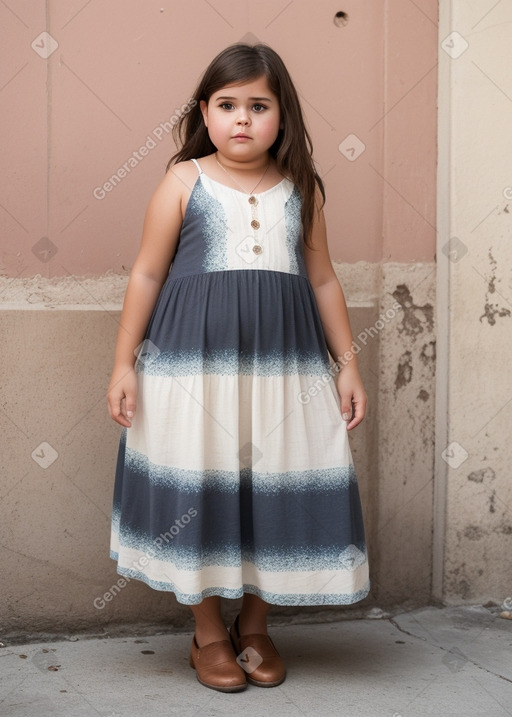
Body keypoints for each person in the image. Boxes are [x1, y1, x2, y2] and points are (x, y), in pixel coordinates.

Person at [107, 42, 370, 694]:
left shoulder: (300, 189)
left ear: (283, 116)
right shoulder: (183, 181)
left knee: (281, 480)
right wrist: (123, 363)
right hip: (191, 372)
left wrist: (348, 367)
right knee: (202, 485)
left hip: (286, 372)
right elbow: (145, 272)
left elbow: (324, 280)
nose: (242, 119)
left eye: (259, 105)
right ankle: (208, 632)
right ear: (206, 110)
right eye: (227, 105)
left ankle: (255, 624)